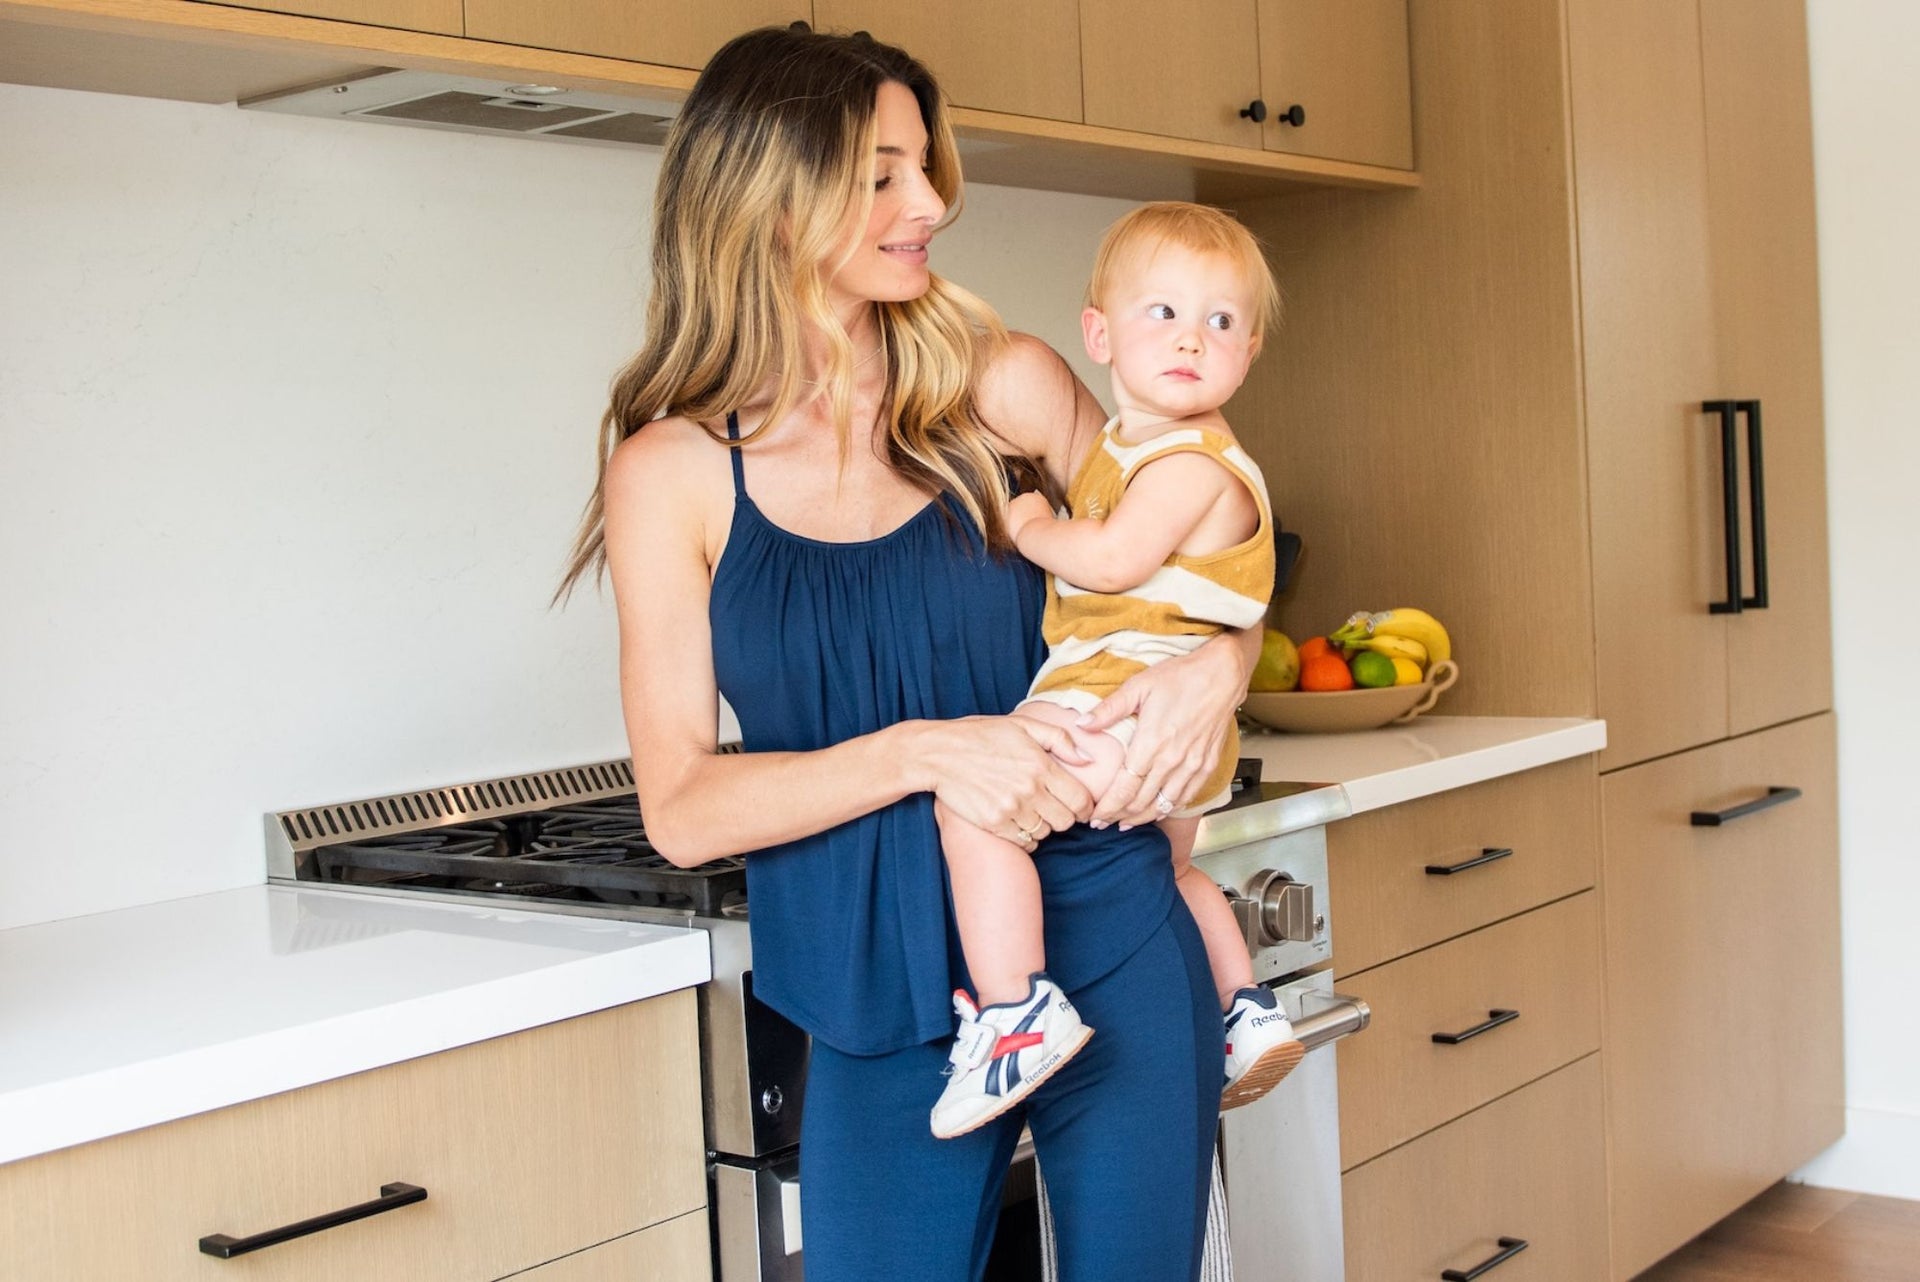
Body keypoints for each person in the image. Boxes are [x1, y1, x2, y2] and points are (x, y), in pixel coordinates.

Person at [554, 25, 1260, 1282]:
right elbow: (680, 808)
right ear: (770, 196)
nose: (930, 201)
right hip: (872, 989)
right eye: (882, 173)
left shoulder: (1006, 389)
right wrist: (928, 754)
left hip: (1108, 930)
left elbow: (1194, 554)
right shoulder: (673, 475)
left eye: (924, 165)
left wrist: (1229, 667)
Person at [930, 203, 1303, 1141]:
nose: (1191, 341)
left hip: (1125, 703)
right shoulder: (1128, 449)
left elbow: (1106, 563)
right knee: (1172, 870)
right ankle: (1244, 1008)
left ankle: (1016, 1011)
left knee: (971, 809)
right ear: (1100, 333)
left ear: (1249, 349)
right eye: (1163, 314)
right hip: (1178, 730)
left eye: (1220, 322)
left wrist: (1025, 523)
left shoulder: (1186, 461)